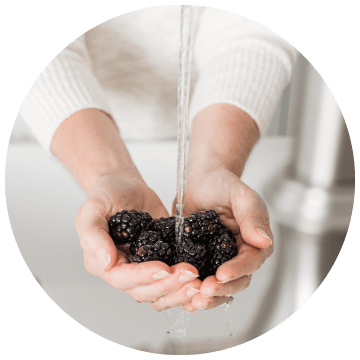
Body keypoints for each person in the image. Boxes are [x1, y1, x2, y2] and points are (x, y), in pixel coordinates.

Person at [19, 6, 297, 313]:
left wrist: (214, 166)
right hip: (63, 126)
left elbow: (252, 27)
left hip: (212, 124)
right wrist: (107, 174)